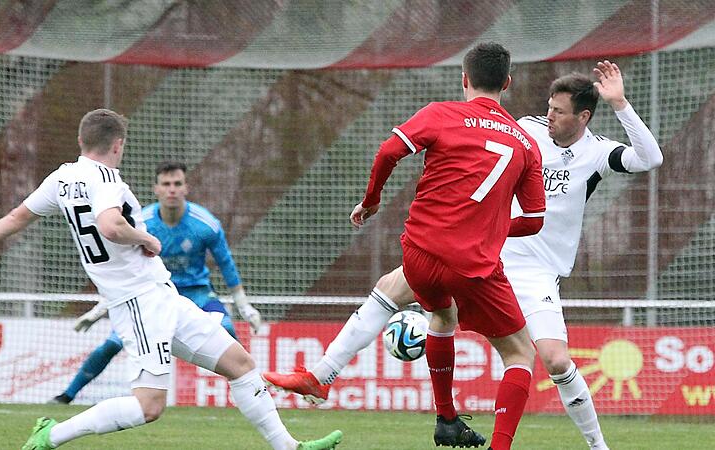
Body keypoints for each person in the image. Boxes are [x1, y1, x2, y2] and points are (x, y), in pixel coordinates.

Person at [264, 61, 663, 450]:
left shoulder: (598, 153)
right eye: (548, 107)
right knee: (392, 288)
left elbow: (649, 158)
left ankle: (596, 444)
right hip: (484, 252)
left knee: (556, 362)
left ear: (584, 116)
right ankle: (322, 374)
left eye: (558, 112)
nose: (549, 115)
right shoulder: (525, 130)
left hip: (534, 269)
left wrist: (620, 103)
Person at [0, 109, 342, 450]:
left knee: (241, 364)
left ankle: (290, 448)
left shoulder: (62, 178)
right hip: (138, 304)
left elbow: (17, 218)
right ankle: (50, 436)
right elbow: (110, 225)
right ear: (117, 144)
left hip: (162, 297)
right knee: (149, 408)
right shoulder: (106, 178)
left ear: (81, 141)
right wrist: (145, 236)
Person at [274, 42, 546, 450]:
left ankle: (339, 379)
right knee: (521, 355)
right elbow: (535, 220)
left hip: (421, 252)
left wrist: (371, 200)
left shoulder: (440, 113)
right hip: (472, 265)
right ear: (507, 83)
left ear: (464, 78)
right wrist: (488, 229)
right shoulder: (526, 144)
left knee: (415, 300)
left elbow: (389, 151)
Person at [50, 161, 261, 405]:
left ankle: (255, 393)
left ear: (186, 188)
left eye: (177, 184)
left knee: (228, 328)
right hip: (151, 295)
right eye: (166, 184)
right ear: (156, 189)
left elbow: (226, 264)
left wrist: (244, 306)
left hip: (197, 294)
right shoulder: (142, 222)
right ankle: (67, 396)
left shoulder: (206, 224)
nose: (172, 189)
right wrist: (101, 308)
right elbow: (122, 269)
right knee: (112, 344)